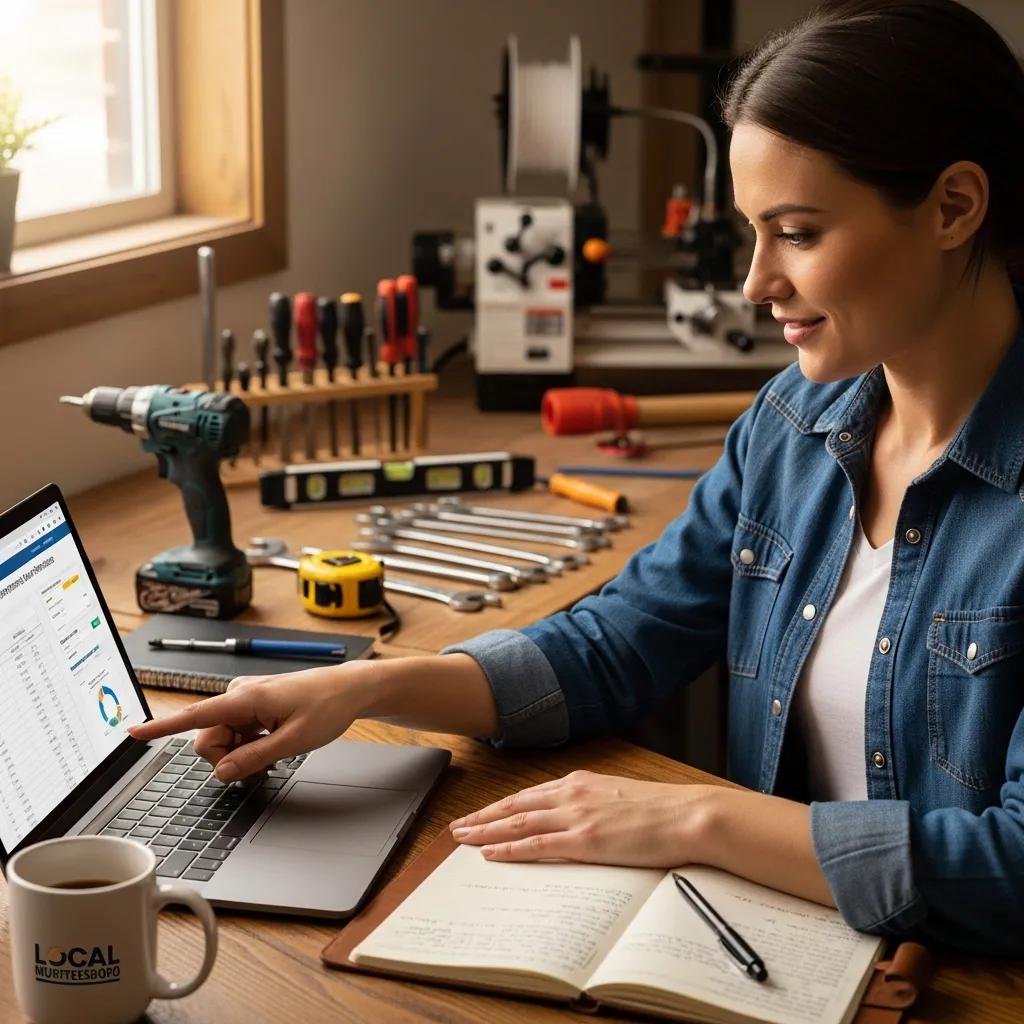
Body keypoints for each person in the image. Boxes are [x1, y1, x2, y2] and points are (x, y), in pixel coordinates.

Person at [131, 0, 1024, 956]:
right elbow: (620, 642)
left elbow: (1012, 866)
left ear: (953, 207)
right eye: (752, 233)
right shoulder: (790, 429)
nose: (756, 282)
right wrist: (362, 688)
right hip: (796, 942)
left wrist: (694, 819)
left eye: (798, 233)